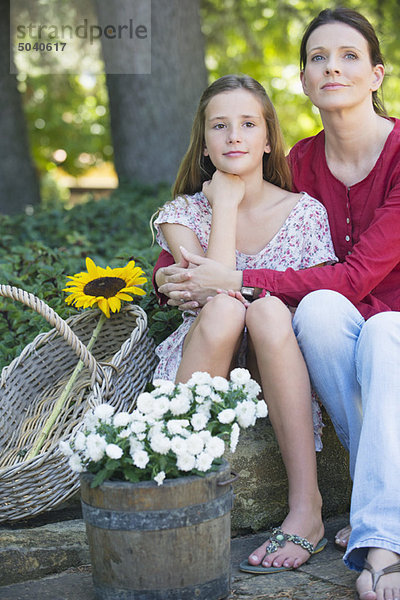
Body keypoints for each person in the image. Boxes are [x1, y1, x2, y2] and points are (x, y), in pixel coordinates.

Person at [153, 8, 400, 600]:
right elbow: (204, 242)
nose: (332, 68)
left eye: (348, 56)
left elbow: (358, 272)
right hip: (330, 323)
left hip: (389, 322)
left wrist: (229, 276)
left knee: (383, 330)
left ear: (377, 74)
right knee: (312, 309)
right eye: (318, 57)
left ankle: (381, 536)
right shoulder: (304, 167)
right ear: (304, 80)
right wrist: (173, 273)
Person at [152, 73, 336, 572]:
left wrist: (247, 290)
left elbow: (306, 301)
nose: (234, 136)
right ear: (205, 144)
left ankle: (307, 509)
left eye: (248, 123)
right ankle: (176, 496)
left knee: (270, 309)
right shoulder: (182, 213)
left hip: (274, 357)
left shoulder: (305, 213)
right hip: (208, 349)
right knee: (230, 307)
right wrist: (226, 204)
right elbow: (212, 295)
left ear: (269, 138)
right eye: (220, 126)